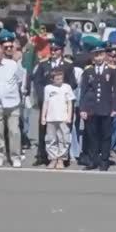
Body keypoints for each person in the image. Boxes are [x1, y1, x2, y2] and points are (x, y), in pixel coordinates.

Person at [32, 37, 77, 166]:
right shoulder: (43, 63)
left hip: (63, 103)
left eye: (56, 49)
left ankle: (63, 157)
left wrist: (62, 93)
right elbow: (38, 81)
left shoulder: (67, 65)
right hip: (48, 103)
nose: (53, 51)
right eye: (51, 49)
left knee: (63, 132)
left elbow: (72, 83)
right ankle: (43, 156)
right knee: (45, 130)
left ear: (61, 51)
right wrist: (43, 96)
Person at [79, 39, 116, 171]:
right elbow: (84, 91)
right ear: (92, 56)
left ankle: (104, 160)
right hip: (91, 108)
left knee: (106, 135)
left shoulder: (112, 71)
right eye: (95, 55)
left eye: (100, 54)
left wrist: (115, 108)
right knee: (92, 135)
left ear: (104, 55)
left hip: (106, 108)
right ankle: (93, 160)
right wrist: (83, 108)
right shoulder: (88, 71)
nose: (98, 57)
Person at [40, 69, 74, 170]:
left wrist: (69, 116)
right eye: (57, 79)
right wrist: (43, 117)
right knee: (50, 139)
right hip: (51, 118)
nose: (60, 81)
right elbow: (46, 103)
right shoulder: (48, 88)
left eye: (61, 78)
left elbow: (69, 103)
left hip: (63, 118)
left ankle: (61, 159)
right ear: (52, 79)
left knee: (63, 139)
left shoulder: (67, 87)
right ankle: (53, 158)